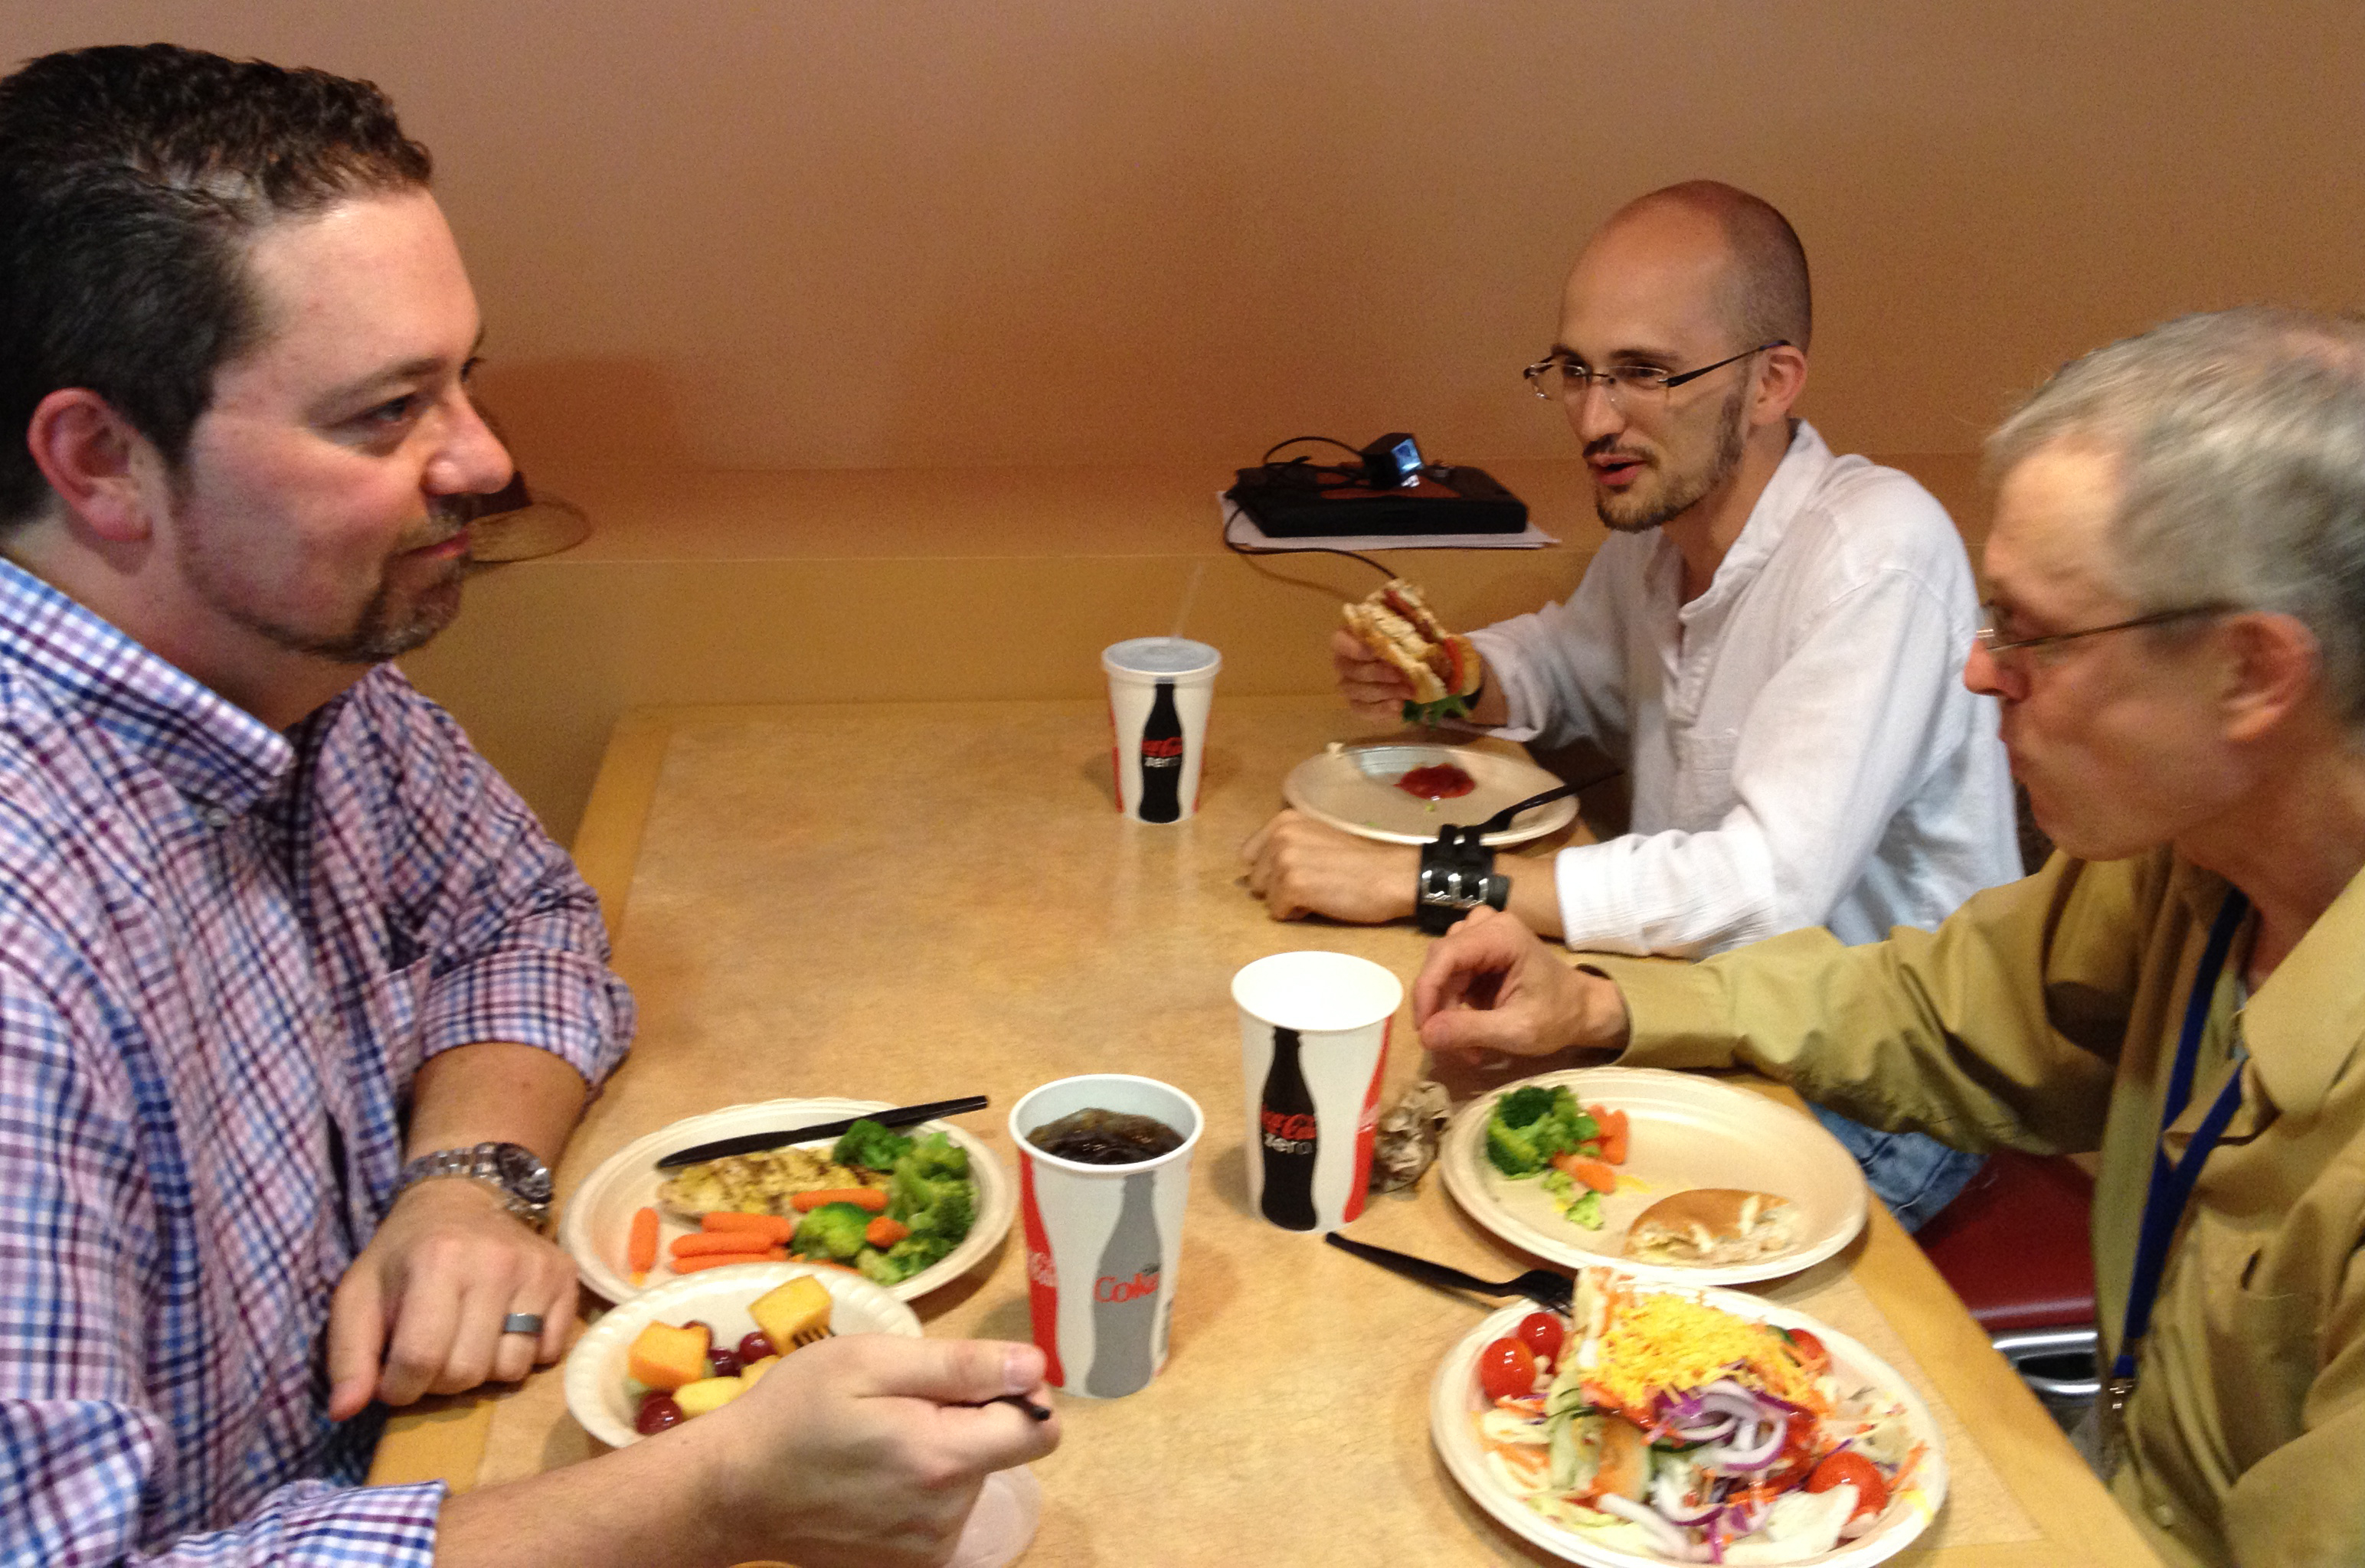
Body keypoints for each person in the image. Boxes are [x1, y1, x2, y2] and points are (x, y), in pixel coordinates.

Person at [0, 44, 1055, 1568]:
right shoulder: (27, 964)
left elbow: (519, 909)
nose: (484, 460)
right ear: (99, 459)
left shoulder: (305, 672)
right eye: (383, 413)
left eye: (463, 379)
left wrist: (461, 1182)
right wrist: (709, 1492)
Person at [1412, 305, 2365, 1568]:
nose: (1979, 674)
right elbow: (1935, 1006)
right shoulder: (2193, 874)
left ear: (2253, 673)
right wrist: (1604, 1005)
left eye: (2032, 634)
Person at [1242, 181, 2020, 1227]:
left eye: (1646, 374)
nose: (1596, 419)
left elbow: (1764, 887)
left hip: (1885, 1092)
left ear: (1771, 382)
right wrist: (1453, 674)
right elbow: (1564, 668)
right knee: (1396, 1136)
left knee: (1505, 1222)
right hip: (1704, 1015)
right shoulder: (1659, 538)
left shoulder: (1876, 552)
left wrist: (1417, 879)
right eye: (1574, 372)